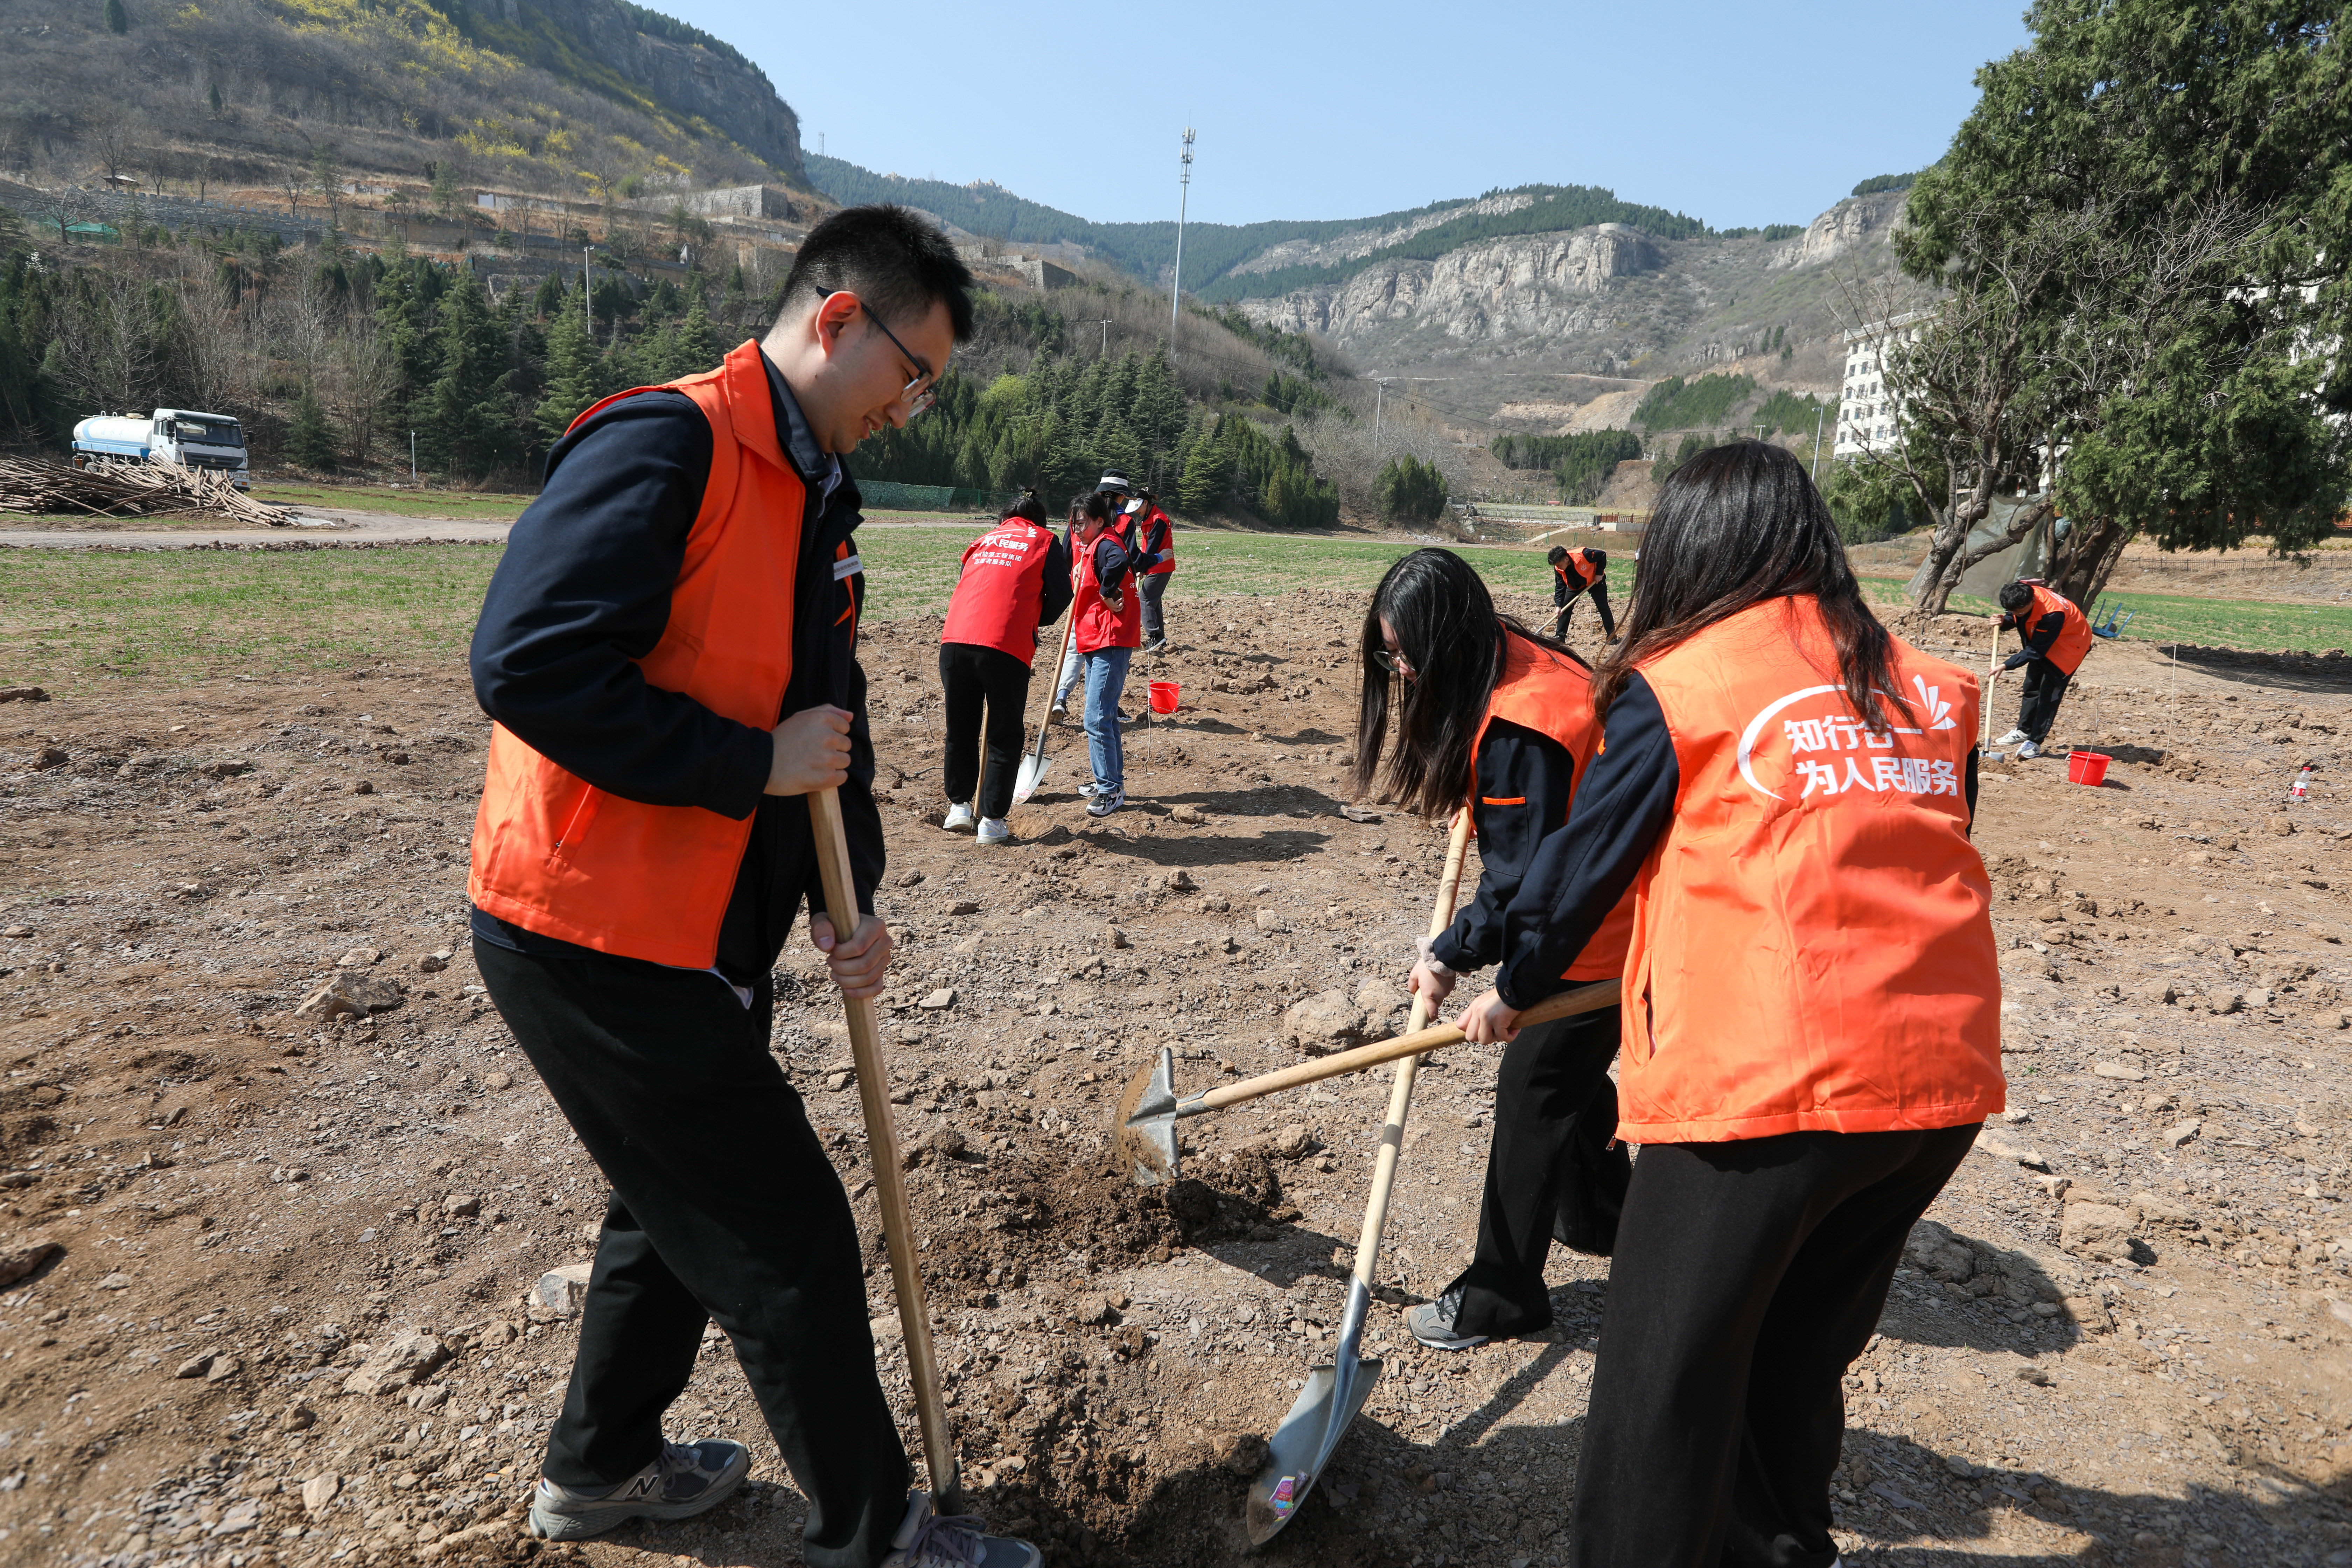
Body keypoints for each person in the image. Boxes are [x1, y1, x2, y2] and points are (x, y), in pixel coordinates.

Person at [465, 204, 1039, 1568]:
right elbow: (529, 662)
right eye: (913, 373)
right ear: (838, 319)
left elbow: (827, 726)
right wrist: (748, 763)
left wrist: (851, 899)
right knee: (783, 1230)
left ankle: (599, 1468)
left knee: (669, 1206)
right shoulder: (668, 445)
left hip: (704, 929)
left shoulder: (815, 490)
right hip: (591, 926)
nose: (911, 406)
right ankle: (879, 1538)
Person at [1452, 441, 2000, 1567]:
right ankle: (1778, 1548)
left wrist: (1513, 986)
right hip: (1937, 1083)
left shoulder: (1684, 682)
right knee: (1793, 1358)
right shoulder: (1929, 683)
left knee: (1663, 1387)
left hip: (1768, 1089)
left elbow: (1578, 869)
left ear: (1692, 550)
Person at [1345, 548, 1635, 1352]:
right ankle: (1608, 1214)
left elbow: (1518, 891)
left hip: (1600, 926)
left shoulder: (1518, 727)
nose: (1399, 670)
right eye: (1388, 655)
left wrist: (1448, 956)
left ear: (1447, 639)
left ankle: (1502, 1295)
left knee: (1533, 1089)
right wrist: (1486, 796)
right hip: (1602, 893)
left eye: (1404, 653)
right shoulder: (1510, 651)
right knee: (1567, 1070)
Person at [936, 488, 1071, 845]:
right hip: (1004, 647)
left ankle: (959, 807)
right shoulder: (1044, 541)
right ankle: (992, 822)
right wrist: (1031, 618)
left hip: (955, 643)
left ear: (1004, 519)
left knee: (960, 729)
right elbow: (1061, 595)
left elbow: (967, 584)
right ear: (1040, 521)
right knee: (1004, 733)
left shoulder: (983, 540)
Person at [1051, 471, 1160, 714]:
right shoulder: (1121, 523)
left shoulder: (1078, 516)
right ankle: (1102, 704)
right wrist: (1156, 559)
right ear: (1121, 497)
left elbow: (1066, 553)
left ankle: (1061, 697)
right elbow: (1129, 559)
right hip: (1108, 595)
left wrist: (1074, 576)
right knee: (1103, 651)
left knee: (1075, 647)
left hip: (1079, 589)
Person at [1068, 489, 1144, 816]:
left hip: (1110, 639)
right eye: (1074, 524)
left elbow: (1118, 562)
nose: (1077, 530)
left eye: (1082, 523)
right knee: (1106, 714)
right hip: (1097, 637)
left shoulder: (1107, 544)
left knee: (1096, 717)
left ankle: (1110, 789)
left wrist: (1106, 591)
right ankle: (1110, 780)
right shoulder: (1093, 544)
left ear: (1100, 521)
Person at [1990, 578, 2091, 759]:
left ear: (2032, 601)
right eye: (2012, 611)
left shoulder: (2053, 614)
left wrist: (2006, 665)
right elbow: (2019, 617)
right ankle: (2023, 731)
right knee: (2032, 688)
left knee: (2048, 696)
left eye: (2019, 611)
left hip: (2069, 647)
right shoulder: (2022, 595)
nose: (2016, 614)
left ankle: (2035, 742)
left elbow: (2037, 649)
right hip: (2043, 643)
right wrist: (2004, 621)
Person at [1133, 485, 1176, 653]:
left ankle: (1155, 636)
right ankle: (1160, 639)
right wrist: (1143, 566)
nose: (1136, 511)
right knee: (1154, 602)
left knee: (1145, 599)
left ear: (1146, 503)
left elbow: (1152, 547)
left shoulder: (1159, 520)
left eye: (1138, 507)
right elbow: (1147, 547)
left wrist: (1142, 565)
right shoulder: (1149, 518)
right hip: (1154, 565)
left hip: (1161, 566)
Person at [1546, 544, 1616, 639]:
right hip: (1576, 585)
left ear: (1566, 559)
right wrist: (1559, 605)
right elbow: (1560, 586)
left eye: (1559, 565)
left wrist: (1599, 574)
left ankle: (1612, 637)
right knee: (1565, 606)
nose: (1558, 567)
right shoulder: (1558, 568)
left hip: (1595, 581)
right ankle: (1560, 636)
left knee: (1603, 607)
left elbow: (1602, 555)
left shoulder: (1583, 555)